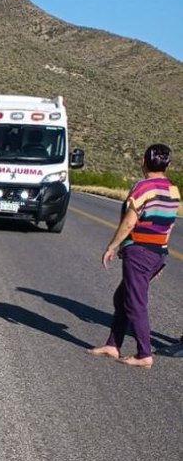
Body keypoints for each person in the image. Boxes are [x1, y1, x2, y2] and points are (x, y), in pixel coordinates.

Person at [89, 144, 179, 368]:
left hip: (140, 251)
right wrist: (162, 254)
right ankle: (113, 344)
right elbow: (169, 224)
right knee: (122, 298)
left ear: (144, 162)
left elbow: (130, 221)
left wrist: (112, 246)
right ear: (168, 165)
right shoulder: (173, 189)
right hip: (156, 251)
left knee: (135, 302)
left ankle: (144, 354)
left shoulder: (142, 188)